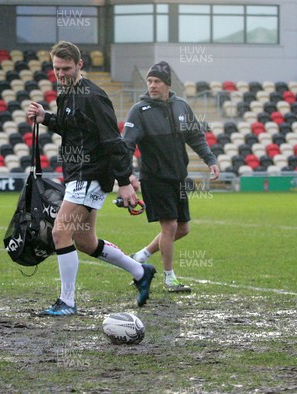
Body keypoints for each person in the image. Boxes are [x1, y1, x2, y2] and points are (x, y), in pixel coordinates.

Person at [26, 41, 156, 316]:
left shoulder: (93, 96)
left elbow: (113, 141)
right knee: (84, 241)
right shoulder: (65, 93)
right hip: (77, 174)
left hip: (91, 175)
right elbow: (71, 128)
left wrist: (123, 181)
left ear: (80, 65)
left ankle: (67, 302)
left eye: (66, 68)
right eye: (56, 68)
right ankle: (140, 271)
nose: (61, 74)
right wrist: (45, 117)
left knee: (60, 232)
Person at [122, 61, 220, 293]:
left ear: (167, 84)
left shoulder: (182, 106)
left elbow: (196, 137)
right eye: (150, 81)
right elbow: (126, 145)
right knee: (170, 226)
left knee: (183, 229)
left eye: (157, 81)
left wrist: (211, 160)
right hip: (154, 178)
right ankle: (169, 278)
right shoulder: (139, 111)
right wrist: (127, 176)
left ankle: (140, 256)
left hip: (178, 178)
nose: (152, 85)